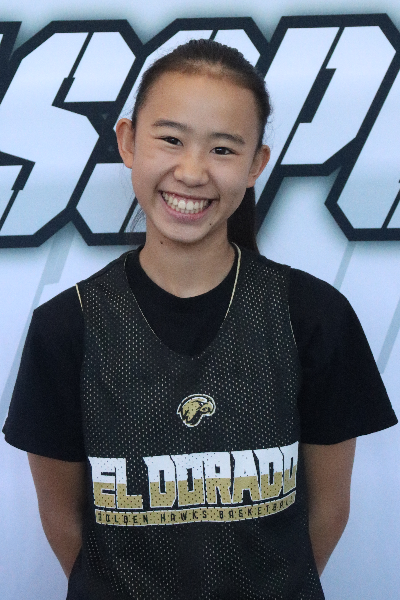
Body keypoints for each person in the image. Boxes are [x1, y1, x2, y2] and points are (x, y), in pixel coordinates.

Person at [2, 39, 397, 600]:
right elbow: (65, 526)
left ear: (256, 164)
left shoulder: (312, 317)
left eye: (223, 149)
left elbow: (328, 512)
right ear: (127, 142)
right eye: (170, 139)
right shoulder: (68, 327)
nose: (191, 172)